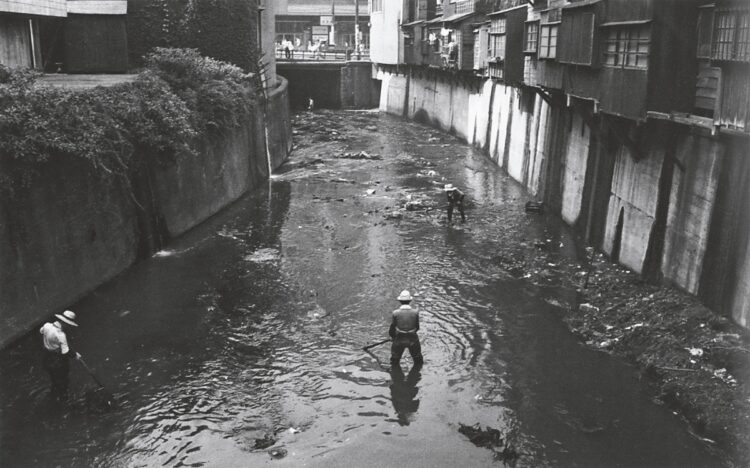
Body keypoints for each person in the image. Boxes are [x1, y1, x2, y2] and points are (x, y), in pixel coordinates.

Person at [40, 310, 81, 401]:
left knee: (54, 379)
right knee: (63, 380)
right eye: (68, 324)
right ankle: (63, 398)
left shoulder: (47, 325)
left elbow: (41, 331)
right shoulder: (61, 335)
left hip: (47, 358)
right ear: (64, 323)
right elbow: (65, 351)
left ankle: (53, 395)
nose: (69, 326)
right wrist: (75, 355)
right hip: (57, 361)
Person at [389, 290, 423, 366]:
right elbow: (417, 327)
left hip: (399, 338)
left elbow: (393, 327)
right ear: (410, 301)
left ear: (400, 301)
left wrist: (393, 337)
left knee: (394, 360)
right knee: (418, 360)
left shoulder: (395, 313)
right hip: (412, 338)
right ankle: (417, 374)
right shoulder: (415, 312)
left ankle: (395, 375)